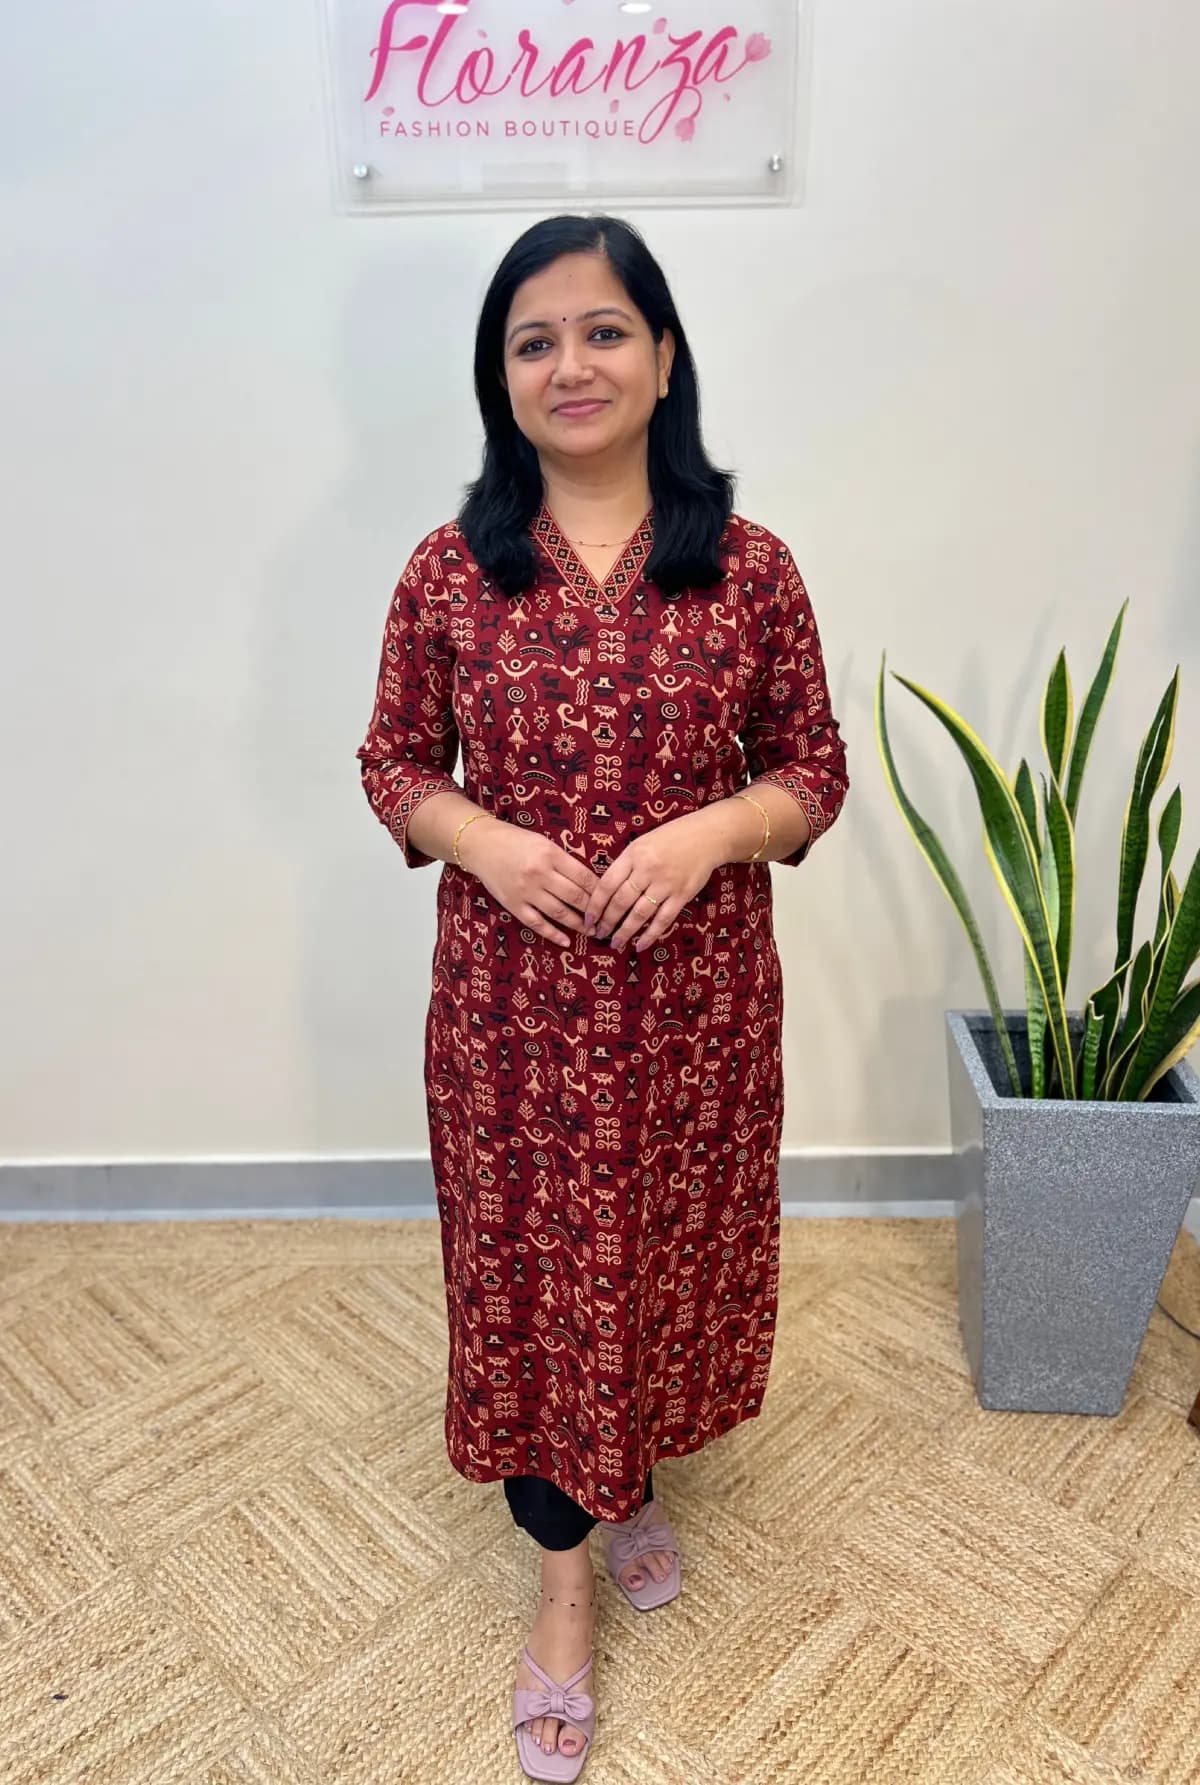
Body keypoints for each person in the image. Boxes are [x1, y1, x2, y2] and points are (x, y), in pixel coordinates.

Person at [355, 213, 849, 1780]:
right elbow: (390, 762)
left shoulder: (750, 568)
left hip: (696, 1014)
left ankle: (628, 1470)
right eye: (533, 340)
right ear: (499, 380)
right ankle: (561, 1586)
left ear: (665, 356)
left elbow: (813, 769)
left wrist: (718, 829)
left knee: (657, 1253)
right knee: (533, 1268)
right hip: (510, 1018)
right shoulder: (450, 573)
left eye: (604, 329)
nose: (571, 363)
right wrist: (482, 838)